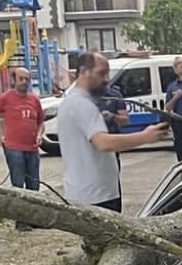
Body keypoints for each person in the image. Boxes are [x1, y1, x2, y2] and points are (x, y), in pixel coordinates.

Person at [58, 51, 164, 213]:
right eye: (101, 73)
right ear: (84, 72)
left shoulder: (71, 102)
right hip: (96, 196)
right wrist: (144, 137)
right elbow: (103, 143)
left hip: (87, 192)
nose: (106, 79)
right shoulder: (82, 105)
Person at [0, 67, 45, 226]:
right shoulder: (6, 98)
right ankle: (21, 221)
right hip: (14, 148)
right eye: (21, 79)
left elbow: (41, 121)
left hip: (32, 147)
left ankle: (34, 219)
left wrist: (39, 134)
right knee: (18, 184)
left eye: (27, 79)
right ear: (14, 80)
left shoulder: (34, 100)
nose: (24, 82)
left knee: (34, 184)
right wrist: (0, 135)